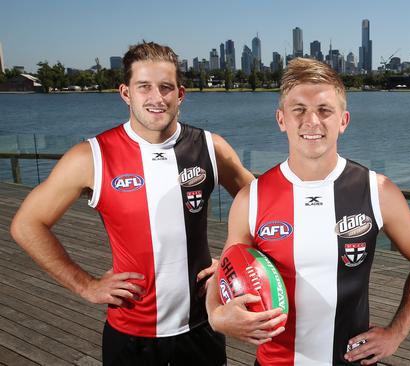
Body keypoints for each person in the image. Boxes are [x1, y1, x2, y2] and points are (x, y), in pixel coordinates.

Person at [10, 41, 254, 366]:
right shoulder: (91, 157)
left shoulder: (211, 148)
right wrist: (86, 286)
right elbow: (27, 225)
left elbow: (264, 206)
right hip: (130, 336)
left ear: (180, 94)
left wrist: (230, 257)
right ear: (126, 93)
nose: (157, 98)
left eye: (166, 87)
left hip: (202, 328)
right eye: (144, 87)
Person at [204, 57, 410, 365]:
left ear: (343, 120)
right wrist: (217, 316)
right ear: (281, 119)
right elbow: (226, 267)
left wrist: (398, 331)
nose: (311, 121)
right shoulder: (253, 198)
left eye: (324, 110)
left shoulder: (376, 191)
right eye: (299, 110)